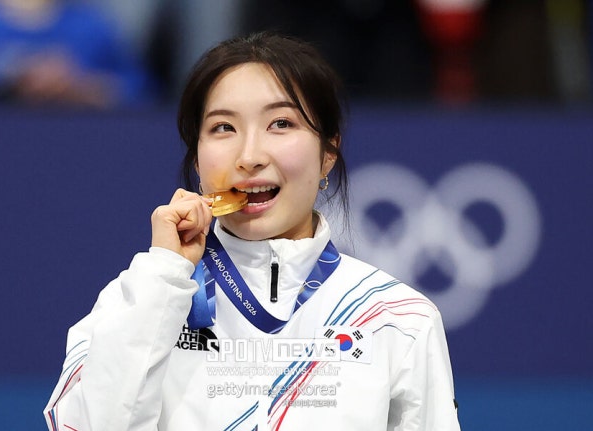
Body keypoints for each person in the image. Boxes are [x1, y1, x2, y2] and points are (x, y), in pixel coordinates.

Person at [44, 32, 461, 430]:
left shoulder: (397, 318)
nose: (249, 156)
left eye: (280, 123)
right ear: (197, 161)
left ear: (328, 152)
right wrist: (164, 276)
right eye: (223, 128)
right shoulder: (134, 301)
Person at [0, 0, 149, 107]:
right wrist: (6, 84)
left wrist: (83, 87)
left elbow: (140, 93)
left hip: (76, 144)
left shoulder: (91, 25)